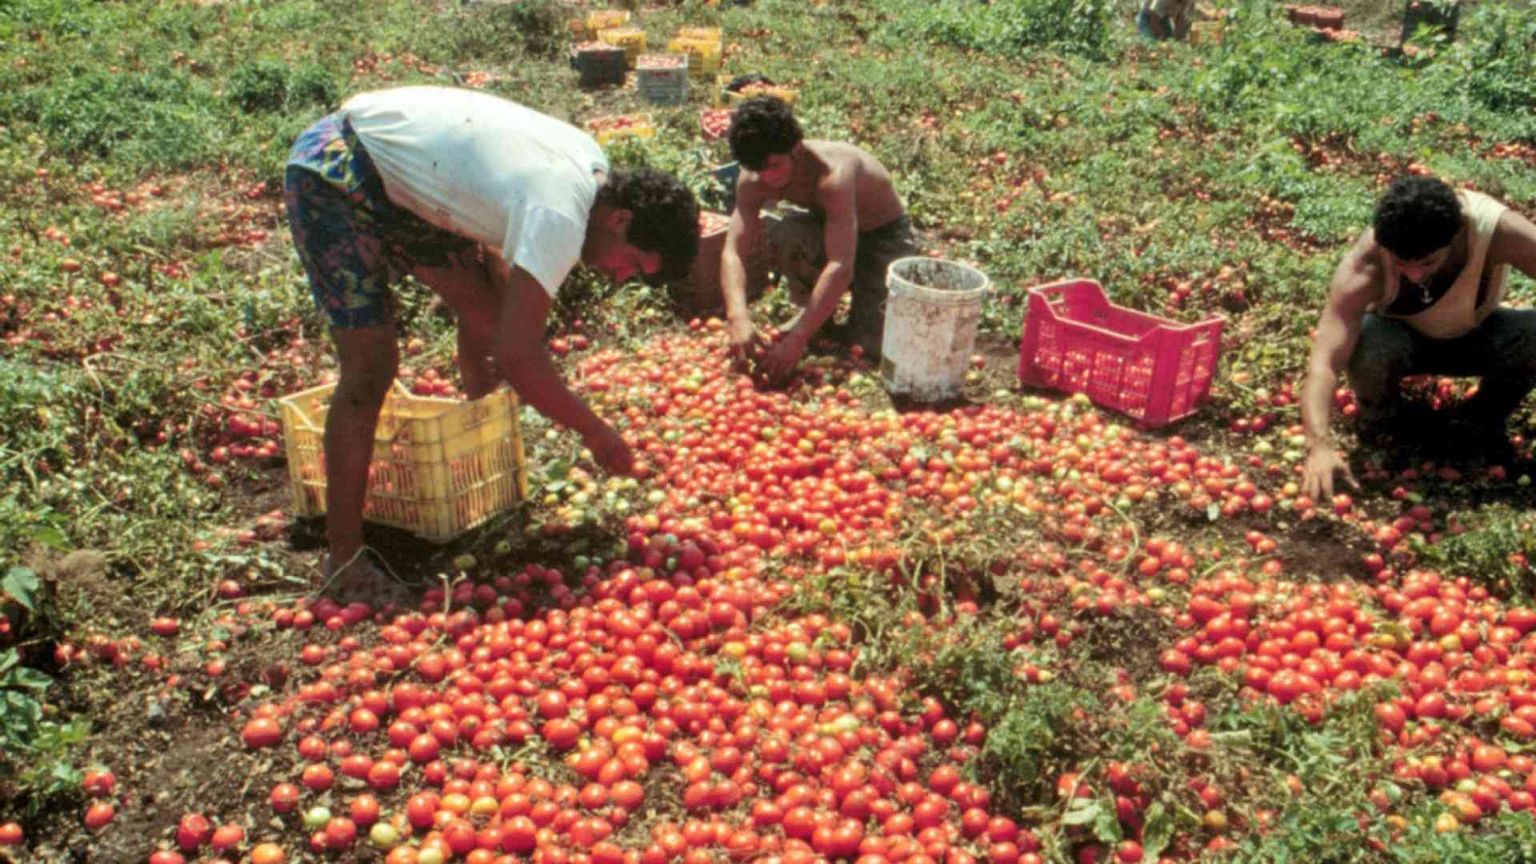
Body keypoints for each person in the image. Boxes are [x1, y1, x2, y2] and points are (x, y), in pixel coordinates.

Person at [283, 85, 698, 588]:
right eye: (631, 264)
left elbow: (498, 284)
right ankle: (345, 560)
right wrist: (593, 429)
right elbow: (518, 355)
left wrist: (496, 339)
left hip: (407, 182)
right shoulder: (561, 215)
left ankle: (485, 470)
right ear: (621, 219)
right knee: (371, 368)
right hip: (339, 169)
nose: (618, 277)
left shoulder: (591, 174)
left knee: (487, 312)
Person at [1301, 175, 1536, 501]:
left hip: (1479, 335)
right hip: (1402, 342)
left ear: (1455, 237)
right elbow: (1325, 361)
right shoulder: (1365, 265)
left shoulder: (1497, 232)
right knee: (1366, 342)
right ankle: (1386, 423)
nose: (1414, 274)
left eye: (1428, 262)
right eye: (1401, 264)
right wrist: (1318, 445)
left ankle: (1481, 420)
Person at [719, 96, 917, 385]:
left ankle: (821, 319)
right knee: (787, 233)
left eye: (774, 166)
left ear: (795, 149)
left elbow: (840, 264)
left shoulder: (832, 176)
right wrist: (736, 314)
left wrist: (798, 338)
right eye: (756, 168)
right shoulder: (753, 179)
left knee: (870, 344)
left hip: (883, 236)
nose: (766, 177)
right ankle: (816, 318)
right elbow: (732, 251)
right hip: (831, 229)